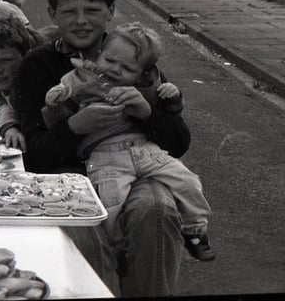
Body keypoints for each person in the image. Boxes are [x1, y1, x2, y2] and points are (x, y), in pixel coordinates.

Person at [13, 0, 191, 296]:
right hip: (68, 178)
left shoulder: (135, 57)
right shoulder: (37, 66)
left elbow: (179, 140)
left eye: (93, 10)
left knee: (157, 211)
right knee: (82, 232)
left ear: (110, 11)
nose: (81, 21)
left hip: (138, 172)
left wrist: (146, 115)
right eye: (69, 11)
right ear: (52, 14)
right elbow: (32, 156)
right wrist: (75, 126)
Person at [43, 22, 214, 261]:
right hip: (104, 155)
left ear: (141, 72)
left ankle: (195, 231)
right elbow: (56, 119)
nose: (115, 70)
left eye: (127, 68)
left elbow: (169, 115)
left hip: (146, 150)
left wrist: (171, 96)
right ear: (99, 54)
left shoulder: (145, 86)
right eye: (110, 61)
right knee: (112, 204)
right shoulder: (79, 78)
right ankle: (118, 248)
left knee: (188, 182)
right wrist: (55, 101)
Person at [0, 17, 43, 149]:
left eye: (6, 60)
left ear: (26, 57)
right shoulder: (9, 86)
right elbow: (2, 99)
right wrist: (9, 128)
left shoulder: (38, 88)